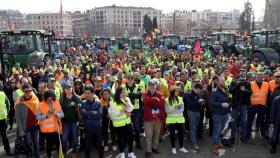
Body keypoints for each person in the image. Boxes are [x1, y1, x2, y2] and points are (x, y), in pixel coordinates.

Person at [108, 86, 136, 158]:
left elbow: (131, 109)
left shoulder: (127, 99)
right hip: (118, 124)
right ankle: (122, 152)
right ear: (117, 94)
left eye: (124, 92)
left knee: (131, 137)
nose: (123, 94)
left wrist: (127, 104)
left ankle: (130, 152)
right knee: (122, 138)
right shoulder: (112, 102)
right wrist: (121, 111)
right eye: (121, 93)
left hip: (127, 122)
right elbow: (112, 115)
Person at [36, 89, 64, 158]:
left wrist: (56, 114)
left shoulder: (57, 103)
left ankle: (60, 156)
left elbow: (62, 115)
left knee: (58, 144)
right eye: (48, 100)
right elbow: (38, 117)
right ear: (45, 98)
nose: (50, 101)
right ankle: (49, 156)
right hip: (47, 130)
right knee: (49, 145)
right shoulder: (41, 105)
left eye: (51, 99)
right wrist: (46, 115)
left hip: (56, 129)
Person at [14, 84, 40, 158]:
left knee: (36, 144)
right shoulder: (19, 101)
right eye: (26, 91)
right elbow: (18, 117)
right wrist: (21, 130)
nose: (28, 92)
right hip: (26, 127)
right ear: (23, 92)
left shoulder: (35, 99)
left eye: (30, 91)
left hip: (35, 125)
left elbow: (39, 112)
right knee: (28, 144)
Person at [143, 79, 165, 158]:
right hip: (148, 119)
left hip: (158, 118)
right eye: (150, 85)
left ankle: (154, 148)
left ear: (156, 86)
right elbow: (146, 101)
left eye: (153, 85)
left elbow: (162, 102)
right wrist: (156, 99)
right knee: (148, 135)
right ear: (148, 87)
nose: (152, 87)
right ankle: (148, 150)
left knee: (156, 134)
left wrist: (153, 102)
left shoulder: (160, 93)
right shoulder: (145, 94)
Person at [80, 85, 104, 158]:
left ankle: (101, 156)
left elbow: (99, 115)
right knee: (88, 145)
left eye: (88, 93)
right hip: (87, 128)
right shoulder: (83, 103)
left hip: (97, 127)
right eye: (86, 93)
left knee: (99, 144)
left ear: (93, 93)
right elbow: (83, 113)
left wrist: (88, 114)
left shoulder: (98, 103)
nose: (86, 95)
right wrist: (92, 113)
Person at [209, 76, 231, 155]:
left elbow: (227, 101)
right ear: (217, 82)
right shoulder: (214, 91)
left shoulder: (225, 90)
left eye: (223, 81)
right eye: (221, 81)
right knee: (217, 131)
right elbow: (210, 103)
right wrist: (221, 104)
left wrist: (229, 111)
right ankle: (214, 146)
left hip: (224, 114)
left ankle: (217, 143)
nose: (223, 82)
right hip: (217, 114)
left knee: (220, 130)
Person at [229, 72, 252, 143]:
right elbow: (230, 91)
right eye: (240, 77)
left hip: (243, 105)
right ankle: (232, 136)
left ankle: (243, 136)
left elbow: (250, 93)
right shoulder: (234, 82)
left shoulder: (247, 83)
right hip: (235, 105)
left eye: (243, 77)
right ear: (238, 76)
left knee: (244, 121)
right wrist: (237, 85)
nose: (241, 79)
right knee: (233, 121)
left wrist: (244, 90)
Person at [60, 82, 82, 157]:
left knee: (75, 138)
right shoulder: (62, 98)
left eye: (69, 87)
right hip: (65, 122)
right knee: (64, 139)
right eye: (66, 88)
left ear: (72, 88)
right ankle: (64, 151)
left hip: (74, 122)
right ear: (64, 89)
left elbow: (82, 107)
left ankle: (74, 152)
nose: (68, 89)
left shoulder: (77, 97)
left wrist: (79, 107)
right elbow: (59, 109)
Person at [165, 86, 188, 154]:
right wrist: (176, 108)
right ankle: (173, 147)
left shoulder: (180, 98)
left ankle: (181, 147)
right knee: (172, 135)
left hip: (180, 119)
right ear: (172, 92)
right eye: (176, 91)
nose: (178, 92)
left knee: (181, 134)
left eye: (178, 91)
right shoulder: (167, 100)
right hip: (171, 120)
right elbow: (167, 111)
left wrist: (173, 109)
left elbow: (182, 109)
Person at [246, 72, 269, 141]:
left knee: (262, 121)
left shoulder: (267, 84)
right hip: (253, 106)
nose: (259, 78)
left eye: (261, 77)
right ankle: (248, 134)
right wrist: (248, 105)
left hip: (262, 106)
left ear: (263, 78)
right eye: (258, 77)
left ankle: (263, 134)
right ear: (256, 77)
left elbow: (269, 95)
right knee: (250, 121)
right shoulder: (251, 84)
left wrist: (266, 104)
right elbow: (247, 95)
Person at [123, 72, 143, 149]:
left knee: (137, 128)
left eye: (131, 78)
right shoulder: (123, 87)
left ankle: (138, 142)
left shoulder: (137, 86)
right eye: (128, 78)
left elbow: (140, 94)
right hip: (127, 110)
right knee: (126, 128)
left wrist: (130, 95)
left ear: (133, 79)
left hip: (136, 110)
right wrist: (134, 95)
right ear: (126, 79)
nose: (130, 80)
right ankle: (126, 142)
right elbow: (121, 96)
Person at [185, 83, 205, 152]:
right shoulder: (189, 94)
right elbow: (189, 103)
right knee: (193, 127)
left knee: (195, 127)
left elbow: (197, 102)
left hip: (198, 112)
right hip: (191, 112)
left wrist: (201, 103)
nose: (199, 92)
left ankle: (191, 139)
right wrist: (198, 101)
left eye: (200, 91)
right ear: (194, 88)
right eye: (198, 91)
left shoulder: (198, 93)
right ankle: (194, 143)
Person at [0, 86, 13, 156]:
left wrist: (6, 114)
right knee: (4, 136)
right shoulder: (2, 94)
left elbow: (8, 105)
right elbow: (8, 105)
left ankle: (8, 150)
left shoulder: (2, 94)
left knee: (4, 136)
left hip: (2, 119)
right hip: (3, 119)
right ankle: (8, 150)